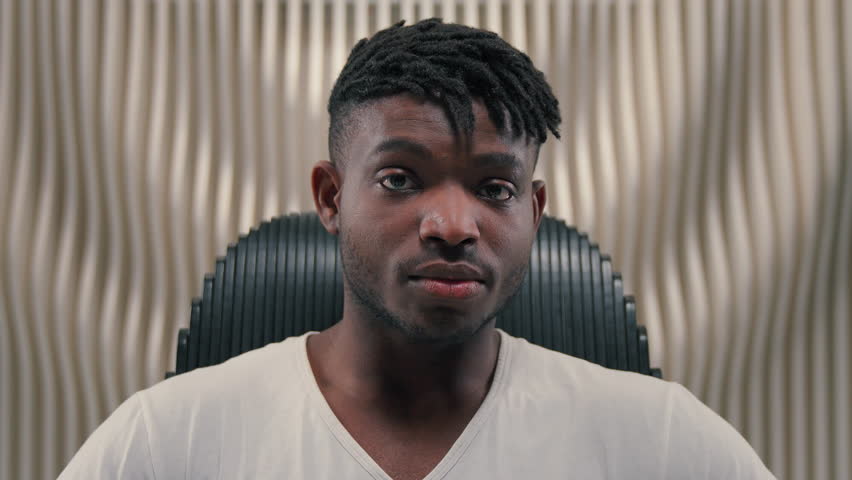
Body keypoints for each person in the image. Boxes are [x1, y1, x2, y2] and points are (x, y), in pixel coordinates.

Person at [60, 19, 774, 479]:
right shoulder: (164, 442)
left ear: (535, 209)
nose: (453, 223)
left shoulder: (663, 441)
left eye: (494, 188)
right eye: (401, 178)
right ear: (332, 197)